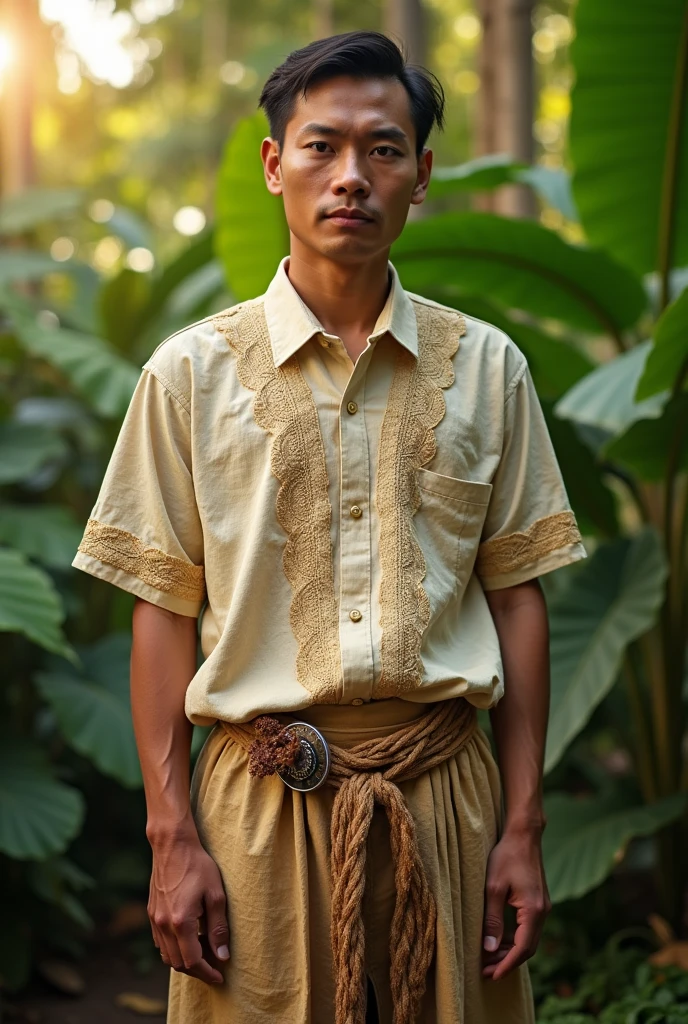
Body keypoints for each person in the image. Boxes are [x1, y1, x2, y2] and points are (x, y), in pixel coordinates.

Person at [72, 30, 586, 1024]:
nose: (352, 175)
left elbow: (518, 600)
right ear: (274, 165)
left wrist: (520, 825)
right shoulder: (187, 375)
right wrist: (172, 836)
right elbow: (161, 612)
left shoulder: (487, 368)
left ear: (422, 174)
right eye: (321, 146)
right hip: (256, 816)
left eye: (383, 149)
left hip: (445, 806)